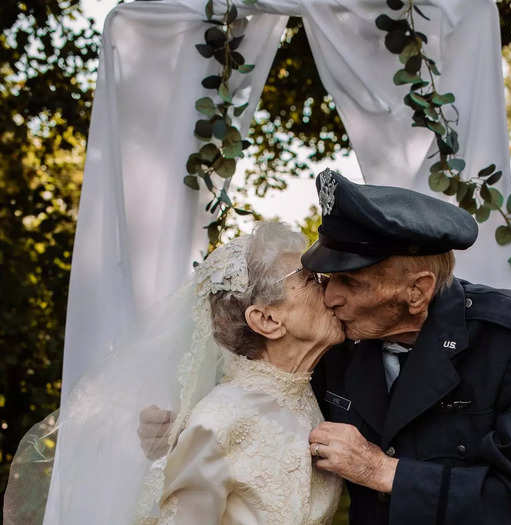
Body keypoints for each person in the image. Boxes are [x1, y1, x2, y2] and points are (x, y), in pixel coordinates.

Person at [141, 169, 511, 524]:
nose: (330, 297)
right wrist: (178, 425)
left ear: (417, 291)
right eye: (325, 278)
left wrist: (382, 471)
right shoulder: (337, 339)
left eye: (350, 282)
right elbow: (259, 397)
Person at [5, 221, 343, 525]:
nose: (328, 284)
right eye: (309, 279)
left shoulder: (309, 389)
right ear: (267, 320)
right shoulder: (219, 419)